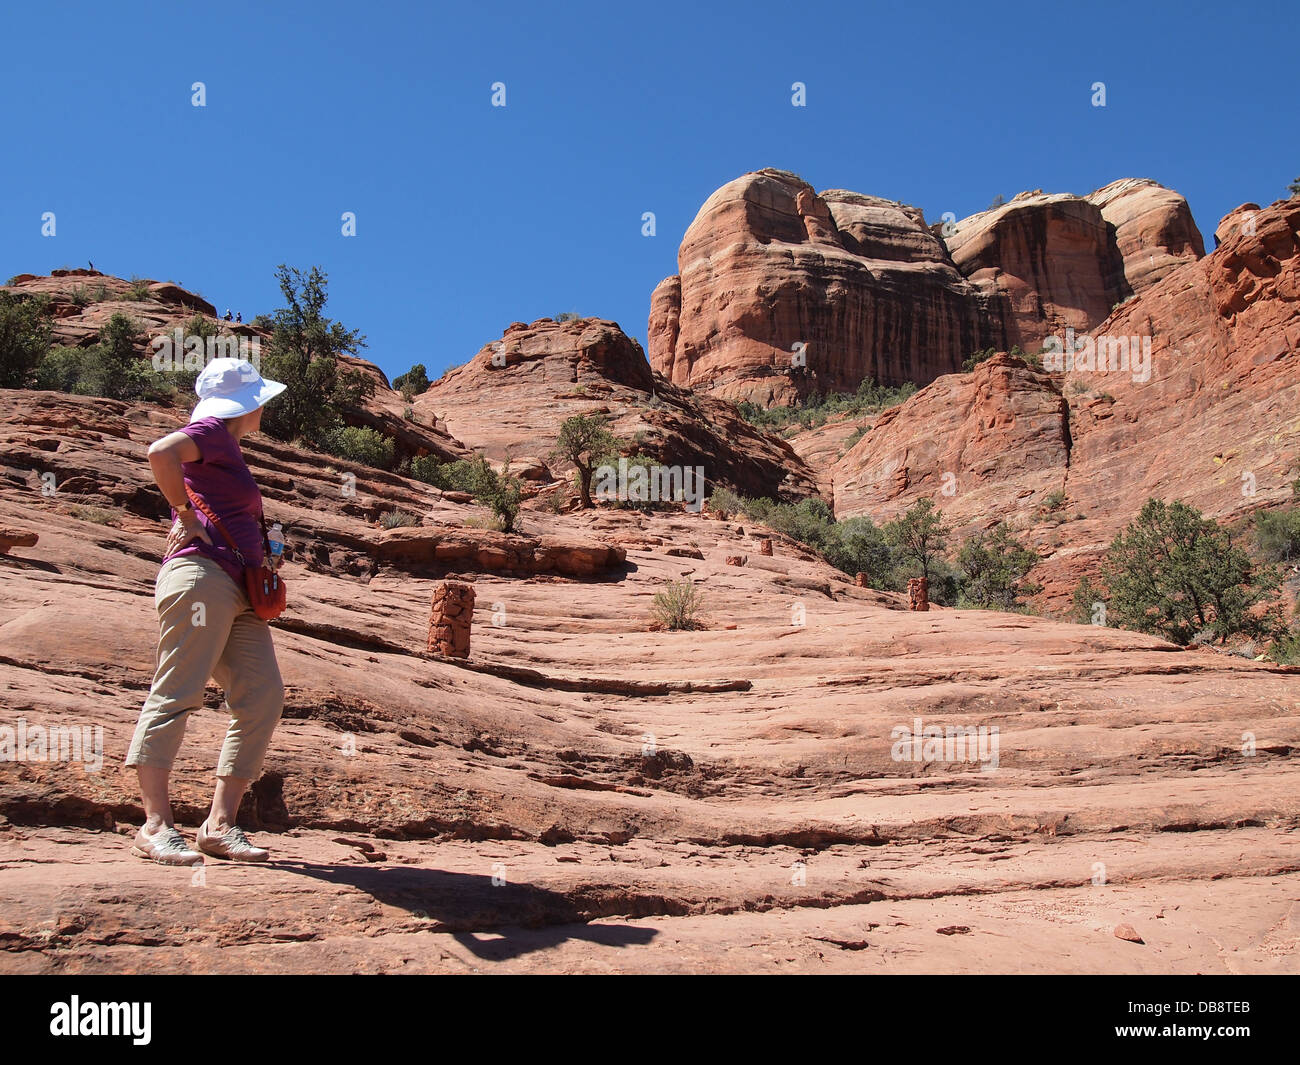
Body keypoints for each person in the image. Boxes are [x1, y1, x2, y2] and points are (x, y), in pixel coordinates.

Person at [125, 358, 288, 865]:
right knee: (178, 690)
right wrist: (184, 514)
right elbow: (160, 452)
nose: (266, 405)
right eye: (260, 396)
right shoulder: (213, 431)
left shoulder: (228, 448)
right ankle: (154, 826)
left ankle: (219, 825)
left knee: (262, 696)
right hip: (202, 577)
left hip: (237, 588)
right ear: (247, 402)